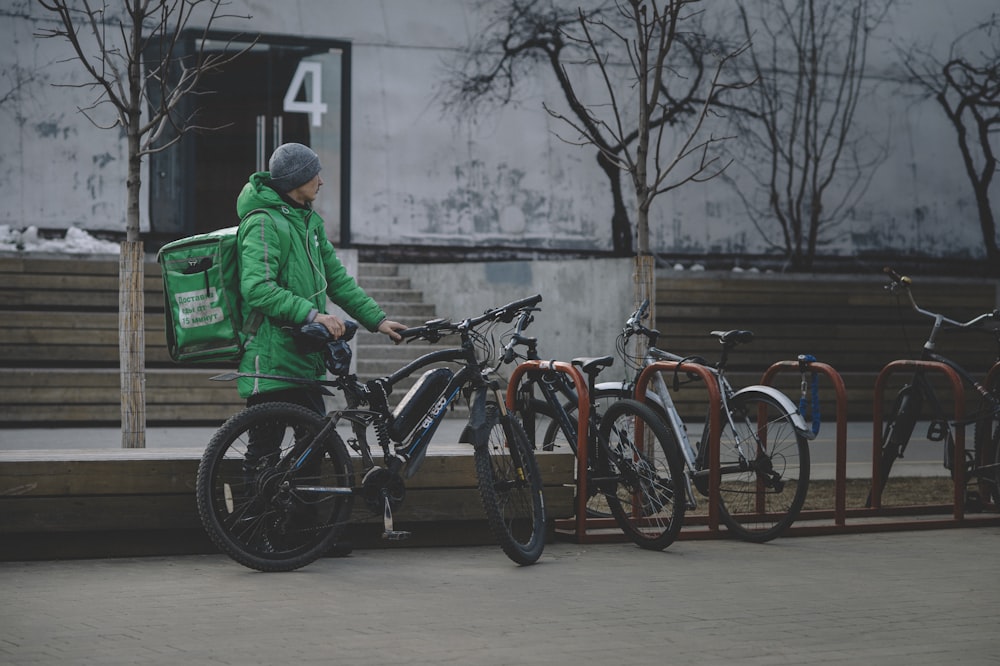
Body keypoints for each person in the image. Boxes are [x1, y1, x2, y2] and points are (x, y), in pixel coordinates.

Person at [235, 142, 407, 413]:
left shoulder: (308, 224)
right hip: (272, 363)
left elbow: (337, 280)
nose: (321, 181)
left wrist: (378, 320)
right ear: (297, 179)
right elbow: (258, 288)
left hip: (304, 357)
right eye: (315, 173)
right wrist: (315, 316)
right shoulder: (264, 222)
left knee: (316, 447)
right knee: (265, 453)